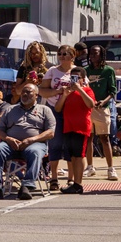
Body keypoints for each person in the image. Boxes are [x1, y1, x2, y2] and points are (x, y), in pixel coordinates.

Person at [0, 82, 55, 201]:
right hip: (11, 145)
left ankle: (26, 186)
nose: (25, 94)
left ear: (36, 95)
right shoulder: (10, 109)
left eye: (28, 92)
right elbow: (0, 131)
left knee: (34, 152)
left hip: (34, 144)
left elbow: (51, 132)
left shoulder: (44, 110)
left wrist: (31, 139)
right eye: (23, 92)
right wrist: (8, 139)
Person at [39, 44, 78, 190]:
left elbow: (85, 89)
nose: (62, 56)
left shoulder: (78, 71)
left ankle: (70, 179)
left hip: (72, 110)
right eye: (60, 54)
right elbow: (42, 91)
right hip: (54, 110)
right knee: (55, 143)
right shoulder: (52, 71)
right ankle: (54, 178)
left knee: (70, 144)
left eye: (65, 53)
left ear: (73, 56)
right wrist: (57, 92)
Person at [54, 66, 95, 194]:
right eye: (73, 78)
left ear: (83, 79)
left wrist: (79, 89)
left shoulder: (87, 90)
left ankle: (78, 183)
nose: (74, 80)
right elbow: (58, 108)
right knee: (72, 156)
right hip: (68, 127)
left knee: (79, 155)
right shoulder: (68, 92)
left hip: (81, 127)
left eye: (77, 78)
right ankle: (75, 183)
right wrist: (65, 95)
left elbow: (91, 104)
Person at [84, 44, 119, 181]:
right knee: (89, 138)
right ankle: (90, 167)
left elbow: (112, 91)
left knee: (104, 138)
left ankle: (111, 168)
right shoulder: (86, 70)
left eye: (96, 53)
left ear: (102, 54)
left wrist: (103, 102)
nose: (93, 55)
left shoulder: (108, 70)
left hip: (102, 108)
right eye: (91, 53)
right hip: (88, 107)